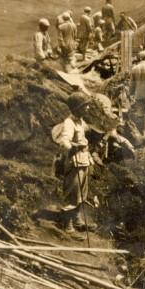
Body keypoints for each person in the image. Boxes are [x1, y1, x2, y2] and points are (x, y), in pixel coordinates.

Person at [55, 93, 97, 233]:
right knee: (73, 192)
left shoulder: (81, 121)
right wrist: (73, 147)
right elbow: (64, 140)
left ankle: (77, 218)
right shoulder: (69, 122)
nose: (88, 108)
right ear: (77, 108)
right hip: (75, 161)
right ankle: (67, 223)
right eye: (85, 106)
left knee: (82, 192)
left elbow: (86, 132)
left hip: (84, 160)